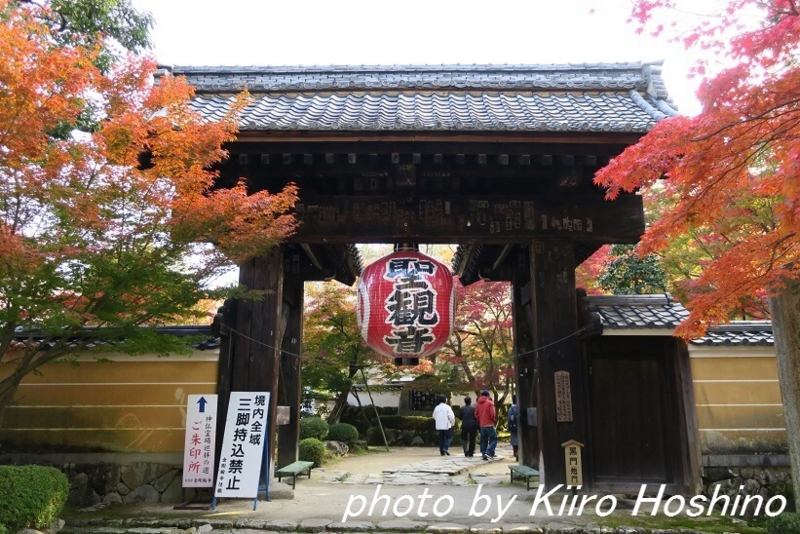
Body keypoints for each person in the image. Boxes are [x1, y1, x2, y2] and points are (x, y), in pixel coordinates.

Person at [474, 390, 498, 460]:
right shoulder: (490, 403)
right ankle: (488, 451)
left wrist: (480, 419)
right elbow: (492, 414)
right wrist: (493, 420)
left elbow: (476, 414)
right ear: (487, 396)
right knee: (494, 439)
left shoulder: (478, 404)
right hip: (489, 424)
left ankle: (484, 454)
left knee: (483, 440)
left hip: (482, 425)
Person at [508, 394, 519, 460]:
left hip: (513, 427)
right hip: (519, 427)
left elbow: (509, 419)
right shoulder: (519, 408)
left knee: (514, 441)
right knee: (519, 440)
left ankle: (516, 454)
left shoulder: (510, 409)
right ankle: (519, 454)